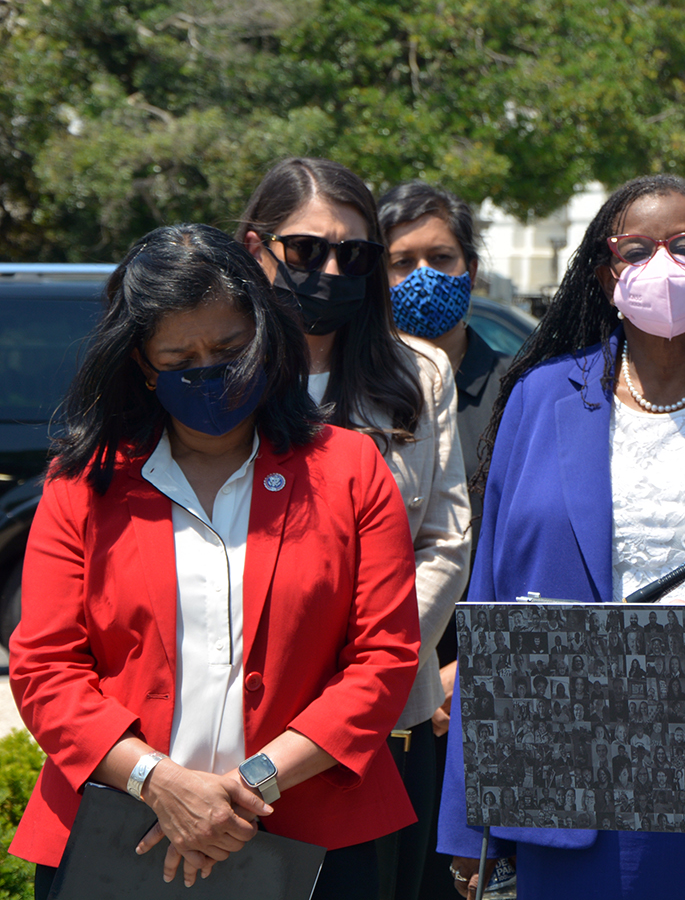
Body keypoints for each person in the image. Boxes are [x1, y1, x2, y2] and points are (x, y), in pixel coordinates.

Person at [437, 174, 685, 900]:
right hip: (564, 788)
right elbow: (490, 612)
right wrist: (471, 824)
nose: (664, 264)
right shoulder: (539, 399)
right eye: (636, 250)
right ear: (605, 272)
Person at [8, 225, 420, 898]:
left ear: (263, 335)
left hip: (312, 836)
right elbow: (45, 666)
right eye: (180, 357)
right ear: (143, 363)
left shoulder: (348, 469)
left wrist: (248, 784)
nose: (209, 372)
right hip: (117, 830)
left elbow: (384, 659)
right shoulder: (82, 483)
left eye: (228, 350)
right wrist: (158, 781)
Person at [237, 158, 471, 900]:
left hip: (379, 720)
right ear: (255, 247)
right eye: (307, 250)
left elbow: (444, 539)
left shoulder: (419, 373)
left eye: (355, 254)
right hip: (238, 721)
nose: (331, 269)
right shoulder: (219, 375)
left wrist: (369, 674)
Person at [376, 179, 520, 900]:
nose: (424, 276)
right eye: (402, 261)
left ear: (473, 266)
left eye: (444, 255)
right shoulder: (355, 392)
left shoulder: (523, 388)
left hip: (481, 687)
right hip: (383, 689)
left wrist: (470, 666)